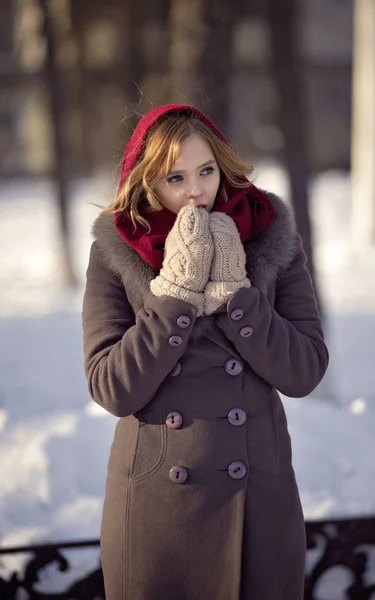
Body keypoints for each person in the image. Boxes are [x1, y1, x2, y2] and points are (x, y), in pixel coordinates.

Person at [82, 104, 329, 600]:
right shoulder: (117, 250)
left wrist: (238, 295)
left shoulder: (271, 237)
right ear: (147, 182)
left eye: (206, 171)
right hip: (159, 513)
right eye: (175, 177)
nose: (195, 191)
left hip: (258, 505)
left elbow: (304, 371)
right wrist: (175, 293)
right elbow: (112, 387)